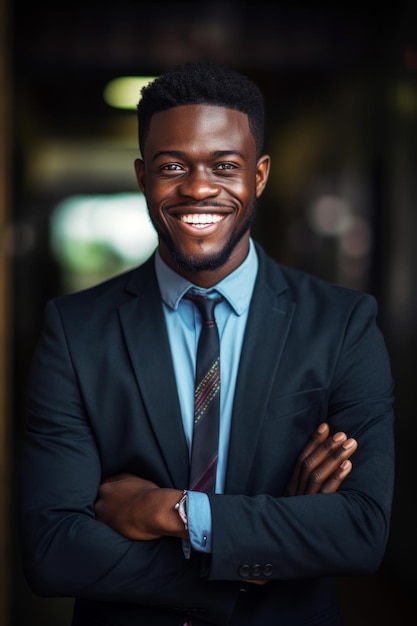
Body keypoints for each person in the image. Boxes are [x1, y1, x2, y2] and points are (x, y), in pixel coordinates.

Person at [18, 62, 395, 626]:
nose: (198, 187)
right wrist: (257, 561)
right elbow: (53, 551)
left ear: (260, 175)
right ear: (144, 176)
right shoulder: (75, 331)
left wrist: (171, 512)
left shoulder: (343, 325)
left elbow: (360, 532)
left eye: (225, 165)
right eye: (173, 166)